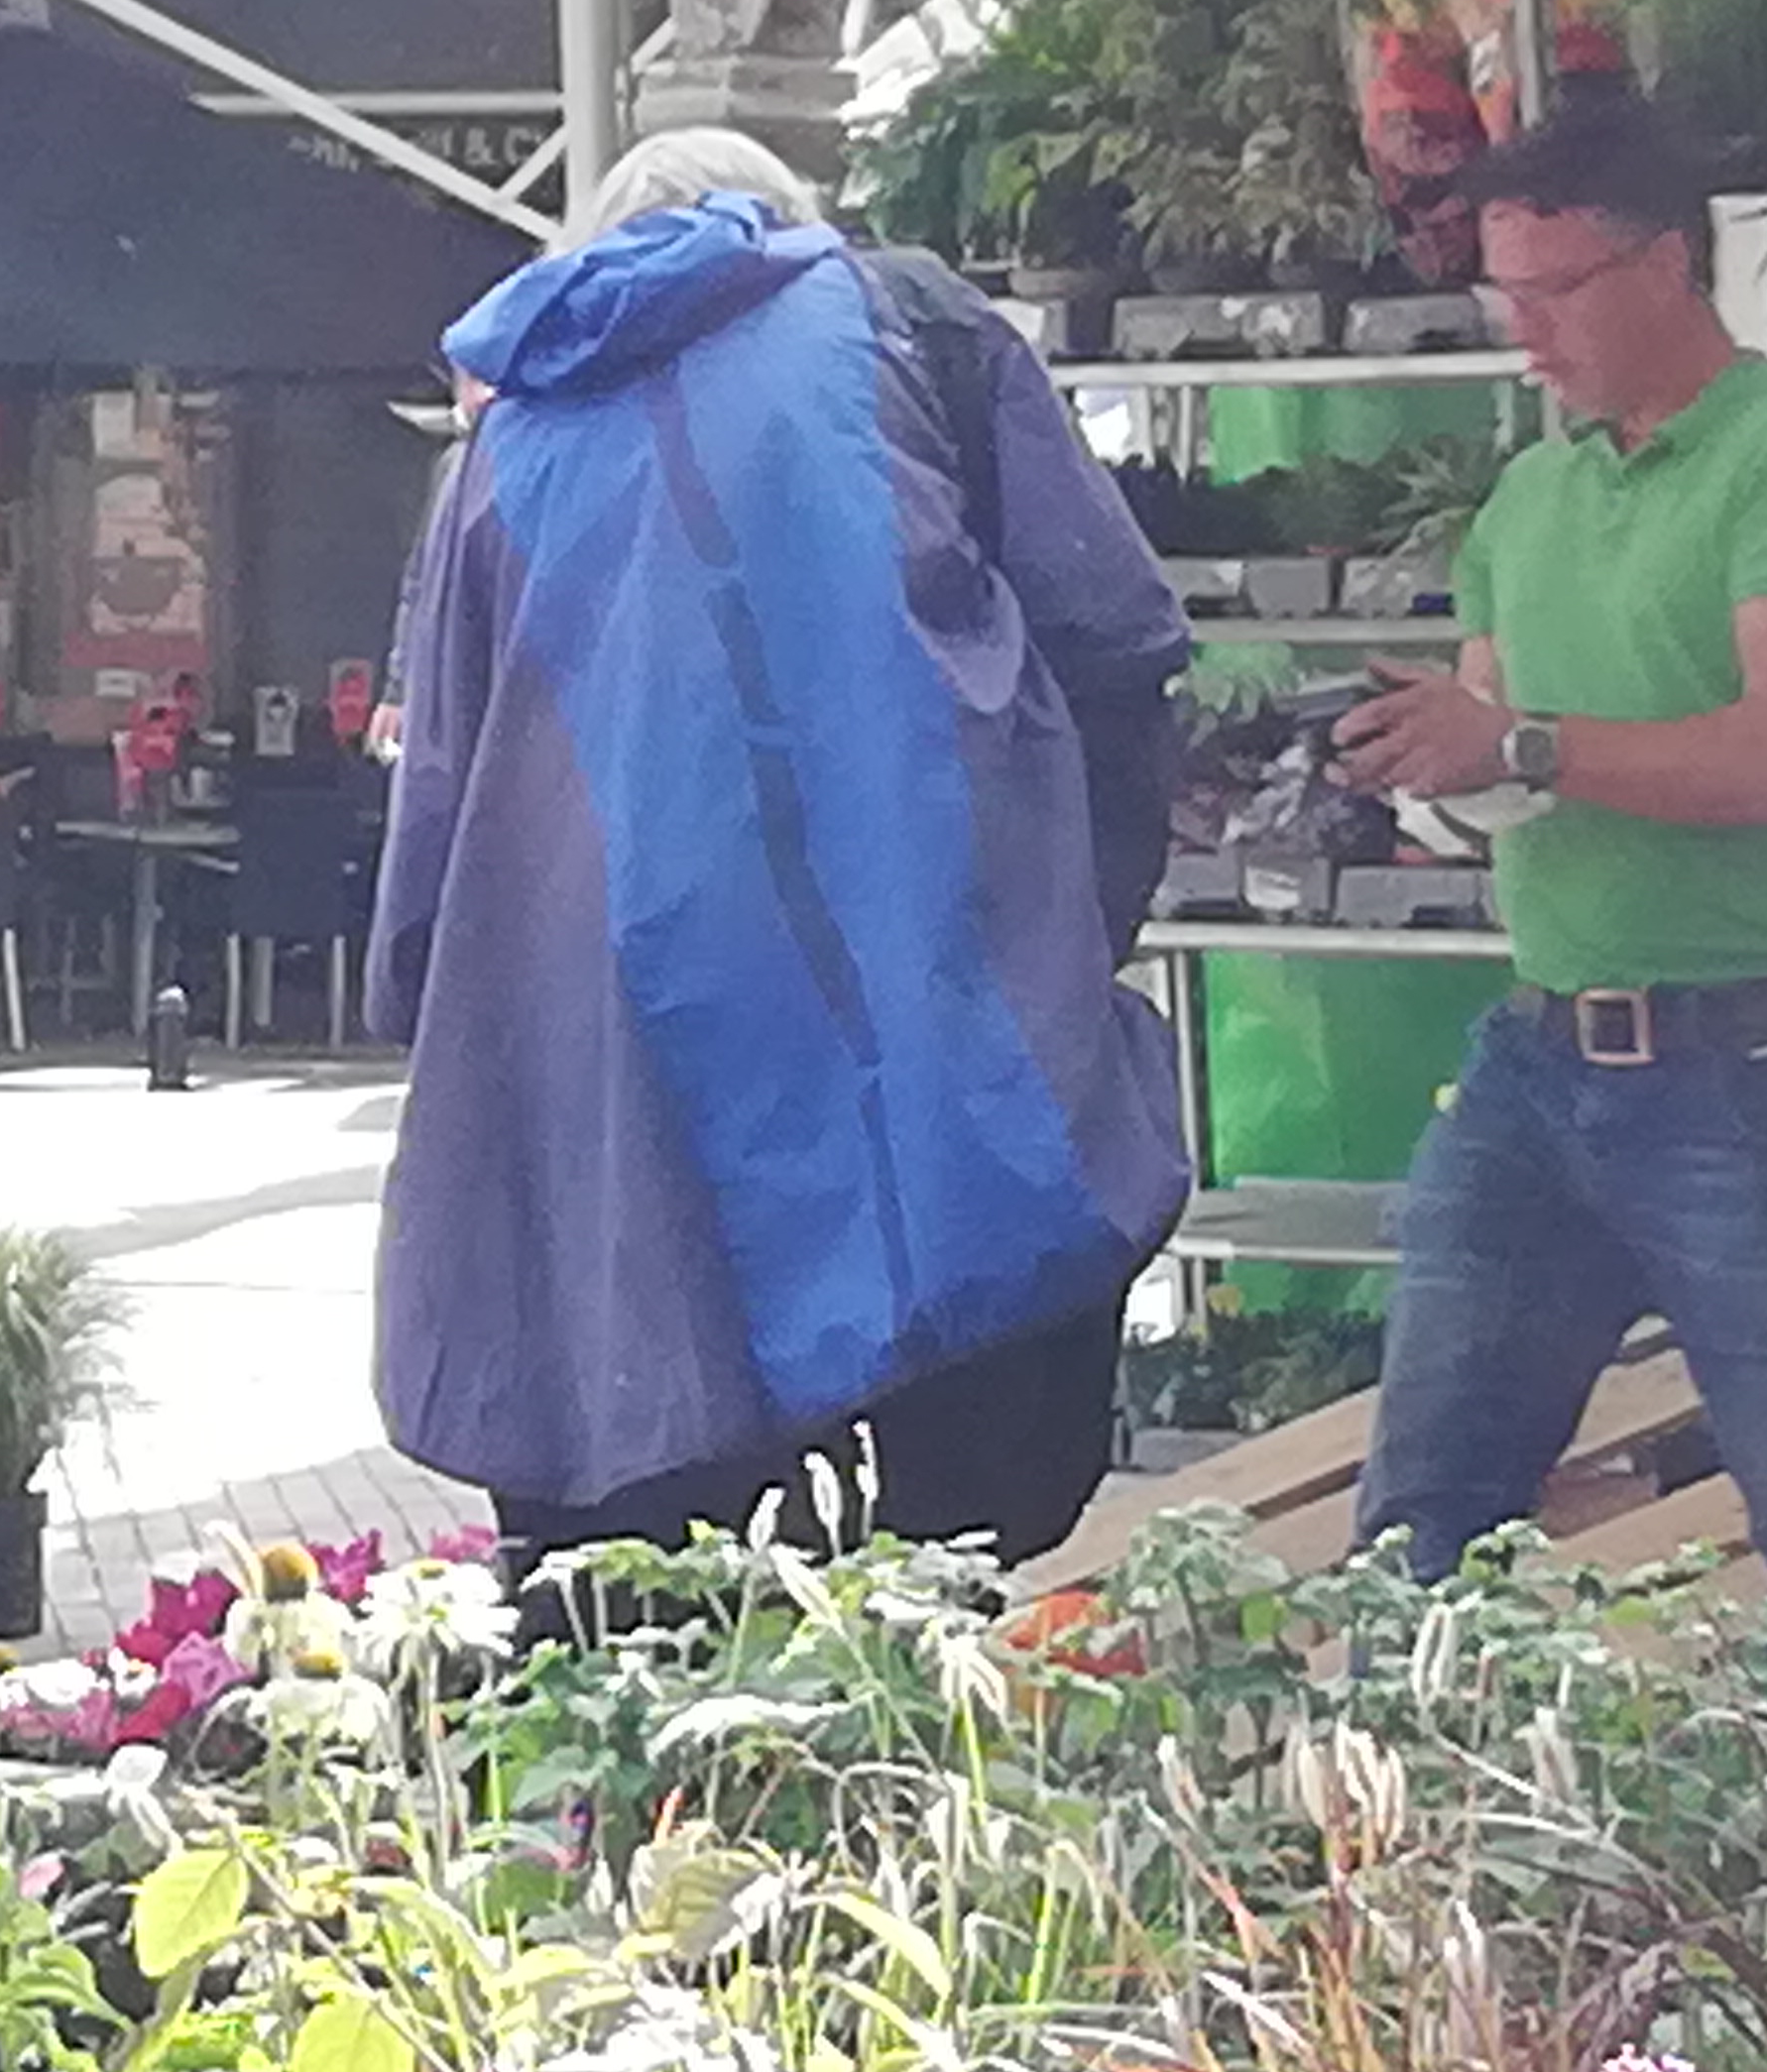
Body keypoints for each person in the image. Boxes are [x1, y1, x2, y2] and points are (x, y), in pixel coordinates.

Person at [368, 126, 1191, 1570]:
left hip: (623, 1135)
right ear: (793, 231)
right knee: (943, 1606)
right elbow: (1119, 648)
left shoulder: (509, 444)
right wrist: (1059, 945)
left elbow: (432, 814)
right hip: (940, 1098)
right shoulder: (908, 326)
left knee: (649, 1639)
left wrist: (465, 1075)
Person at [1336, 98, 1767, 1597]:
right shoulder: (1529, 496)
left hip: (1758, 1067)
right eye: (1501, 298)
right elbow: (1493, 739)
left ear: (1671, 263)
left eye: (1554, 293)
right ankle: (1403, 1811)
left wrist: (1524, 749)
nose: (1526, 335)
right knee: (1423, 1503)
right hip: (1541, 1057)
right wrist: (1434, 772)